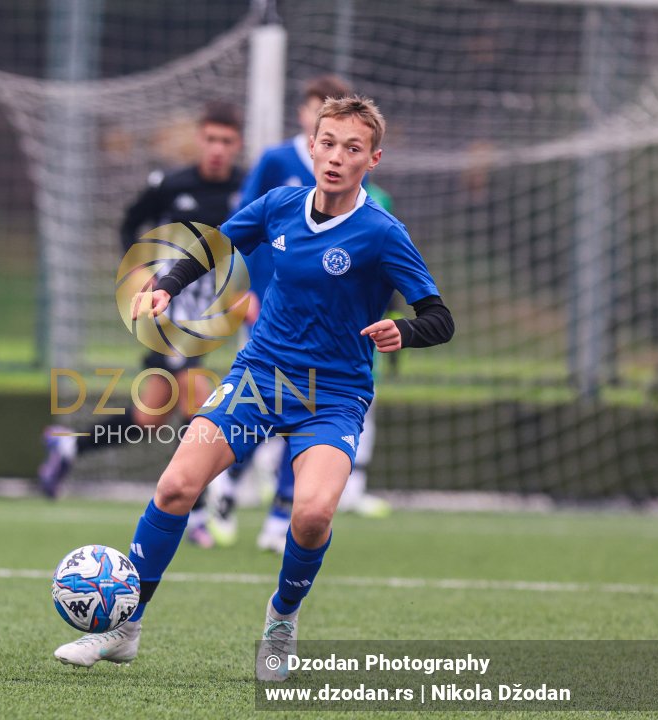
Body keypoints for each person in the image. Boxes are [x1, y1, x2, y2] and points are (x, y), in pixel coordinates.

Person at [52, 96, 453, 679]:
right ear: (311, 147)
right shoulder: (280, 206)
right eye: (329, 143)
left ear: (374, 159)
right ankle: (124, 628)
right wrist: (165, 284)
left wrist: (405, 330)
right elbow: (214, 243)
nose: (337, 157)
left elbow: (440, 317)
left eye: (353, 148)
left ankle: (282, 620)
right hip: (260, 378)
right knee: (175, 486)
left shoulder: (383, 233)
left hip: (334, 395)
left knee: (312, 515)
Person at [38, 102, 245, 548]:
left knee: (149, 417)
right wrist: (139, 272)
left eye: (226, 142)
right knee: (197, 410)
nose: (217, 149)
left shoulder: (245, 190)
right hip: (168, 312)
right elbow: (131, 223)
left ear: (237, 145)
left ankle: (68, 448)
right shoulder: (172, 186)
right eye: (210, 139)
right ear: (199, 139)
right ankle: (200, 512)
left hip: (206, 311)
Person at [208, 75, 394, 555]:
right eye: (319, 123)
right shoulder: (276, 166)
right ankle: (224, 492)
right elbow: (240, 228)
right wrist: (241, 289)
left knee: (307, 421)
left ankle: (278, 516)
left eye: (347, 143)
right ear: (306, 122)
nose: (335, 152)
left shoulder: (354, 171)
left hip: (325, 327)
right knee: (254, 412)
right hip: (268, 308)